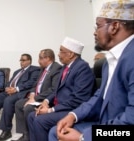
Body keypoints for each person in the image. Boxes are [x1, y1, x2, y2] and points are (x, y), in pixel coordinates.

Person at [49, 1, 134, 141]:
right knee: (56, 132)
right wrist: (73, 115)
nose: (95, 32)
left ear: (114, 27)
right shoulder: (109, 61)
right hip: (105, 121)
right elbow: (98, 97)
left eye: (98, 26)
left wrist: (84, 137)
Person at [27, 37, 95, 141]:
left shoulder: (82, 68)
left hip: (71, 110)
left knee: (39, 121)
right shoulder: (65, 67)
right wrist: (46, 101)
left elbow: (78, 100)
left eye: (61, 51)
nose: (58, 54)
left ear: (71, 54)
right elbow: (56, 90)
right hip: (60, 107)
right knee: (31, 116)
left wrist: (50, 110)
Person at [0, 54, 40, 141]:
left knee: (8, 101)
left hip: (21, 93)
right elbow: (9, 82)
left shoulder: (34, 70)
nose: (21, 62)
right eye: (20, 60)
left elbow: (31, 83)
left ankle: (6, 131)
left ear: (29, 61)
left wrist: (16, 89)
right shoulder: (17, 71)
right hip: (10, 92)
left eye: (24, 60)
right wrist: (7, 87)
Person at [12, 49, 62, 141]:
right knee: (19, 104)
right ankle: (25, 133)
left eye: (40, 58)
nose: (38, 61)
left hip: (46, 100)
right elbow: (36, 84)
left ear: (47, 58)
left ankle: (29, 137)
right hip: (36, 97)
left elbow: (53, 89)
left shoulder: (56, 68)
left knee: (28, 108)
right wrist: (32, 94)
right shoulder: (43, 68)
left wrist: (35, 98)